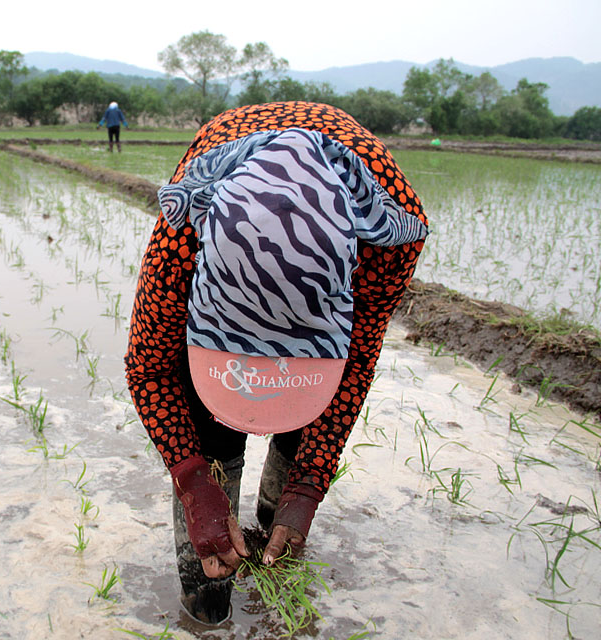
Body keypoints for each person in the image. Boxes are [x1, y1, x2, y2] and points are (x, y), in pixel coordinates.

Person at [124, 102, 429, 625]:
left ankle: (276, 526)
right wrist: (194, 479)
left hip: (355, 256)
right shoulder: (189, 224)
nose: (266, 368)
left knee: (304, 417)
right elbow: (150, 366)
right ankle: (207, 602)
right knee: (213, 442)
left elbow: (353, 365)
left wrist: (309, 484)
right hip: (213, 222)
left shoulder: (388, 234)